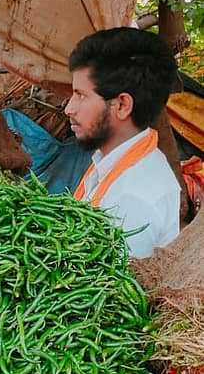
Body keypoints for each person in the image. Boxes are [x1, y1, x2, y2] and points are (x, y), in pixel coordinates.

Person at [65, 27, 181, 258]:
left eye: (81, 95)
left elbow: (105, 289)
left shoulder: (133, 199)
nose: (69, 108)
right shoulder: (113, 161)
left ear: (122, 105)